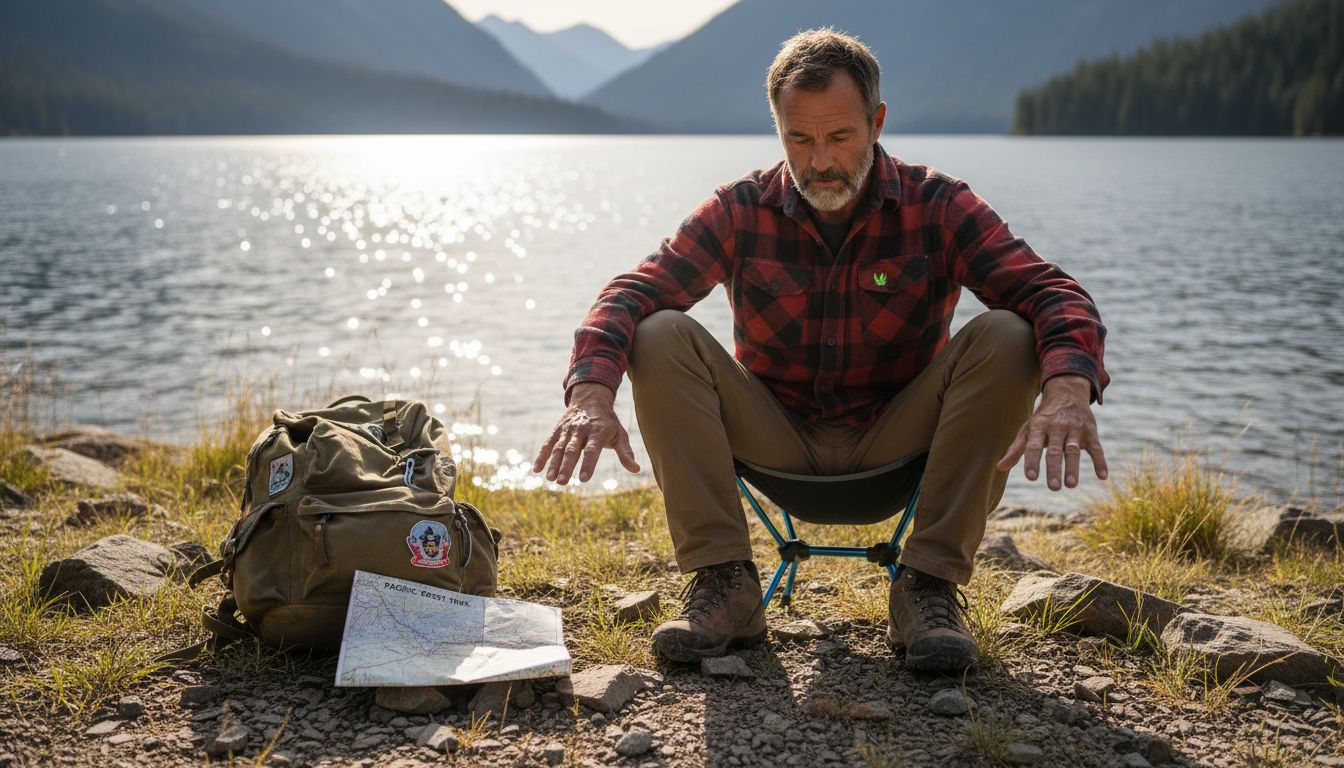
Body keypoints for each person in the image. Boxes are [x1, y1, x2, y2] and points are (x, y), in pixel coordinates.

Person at [532, 29, 1109, 673]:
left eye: (839, 136)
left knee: (1010, 333)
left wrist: (1066, 392)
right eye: (799, 139)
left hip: (897, 445)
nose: (820, 161)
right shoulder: (739, 209)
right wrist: (591, 396)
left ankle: (928, 589)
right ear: (777, 129)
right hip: (777, 442)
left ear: (877, 122)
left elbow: (1052, 292)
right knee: (658, 330)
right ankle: (724, 582)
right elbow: (631, 292)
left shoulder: (939, 204)